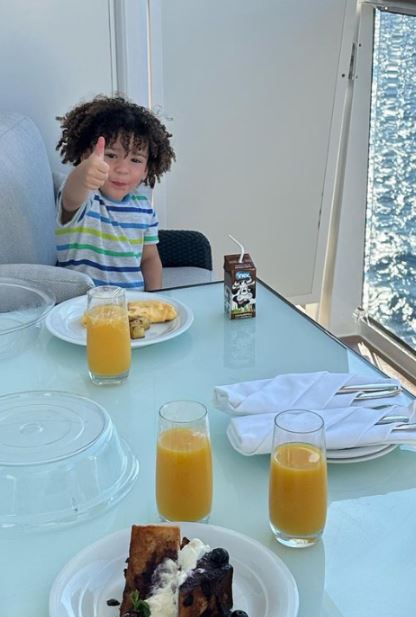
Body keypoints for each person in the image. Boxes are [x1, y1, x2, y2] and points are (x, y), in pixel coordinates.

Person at [55, 95, 175, 290]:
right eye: (111, 155)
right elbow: (72, 195)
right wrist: (85, 171)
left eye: (135, 160)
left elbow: (150, 258)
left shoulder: (144, 208)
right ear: (86, 155)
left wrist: (155, 297)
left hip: (129, 308)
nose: (122, 169)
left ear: (147, 170)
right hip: (81, 308)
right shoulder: (86, 197)